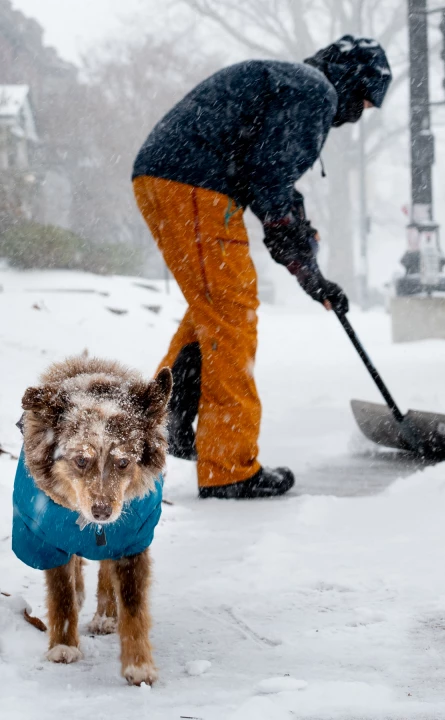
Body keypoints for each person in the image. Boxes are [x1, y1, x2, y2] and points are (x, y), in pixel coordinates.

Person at [131, 36, 392, 499]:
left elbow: (275, 184)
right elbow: (270, 178)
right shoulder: (316, 92)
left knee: (214, 307)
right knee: (232, 316)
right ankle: (230, 467)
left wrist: (311, 276)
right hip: (194, 183)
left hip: (169, 177)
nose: (357, 115)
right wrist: (300, 256)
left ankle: (161, 415)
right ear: (351, 82)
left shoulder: (295, 85)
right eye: (365, 102)